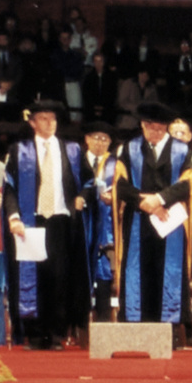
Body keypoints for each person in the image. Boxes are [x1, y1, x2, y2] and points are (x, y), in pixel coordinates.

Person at [2, 100, 90, 349]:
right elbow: (9, 188)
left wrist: (83, 196)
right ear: (32, 122)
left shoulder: (72, 150)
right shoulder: (20, 151)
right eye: (43, 118)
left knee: (59, 278)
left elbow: (89, 181)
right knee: (34, 278)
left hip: (62, 221)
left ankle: (57, 334)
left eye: (53, 119)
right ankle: (35, 334)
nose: (49, 123)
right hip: (32, 221)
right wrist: (14, 217)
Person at [112, 101, 192, 333]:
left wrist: (160, 200)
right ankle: (136, 329)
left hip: (169, 224)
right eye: (151, 127)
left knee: (168, 272)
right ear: (142, 125)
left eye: (161, 128)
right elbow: (119, 186)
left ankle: (168, 331)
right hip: (138, 223)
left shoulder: (182, 151)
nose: (156, 133)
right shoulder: (129, 150)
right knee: (137, 272)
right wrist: (146, 203)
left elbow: (187, 185)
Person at [79, 121, 123, 319]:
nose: (100, 142)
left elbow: (124, 190)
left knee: (105, 270)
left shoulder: (116, 164)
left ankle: (103, 319)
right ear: (87, 139)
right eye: (96, 137)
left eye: (105, 139)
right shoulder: (76, 160)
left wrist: (115, 197)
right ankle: (78, 322)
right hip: (81, 222)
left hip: (107, 225)